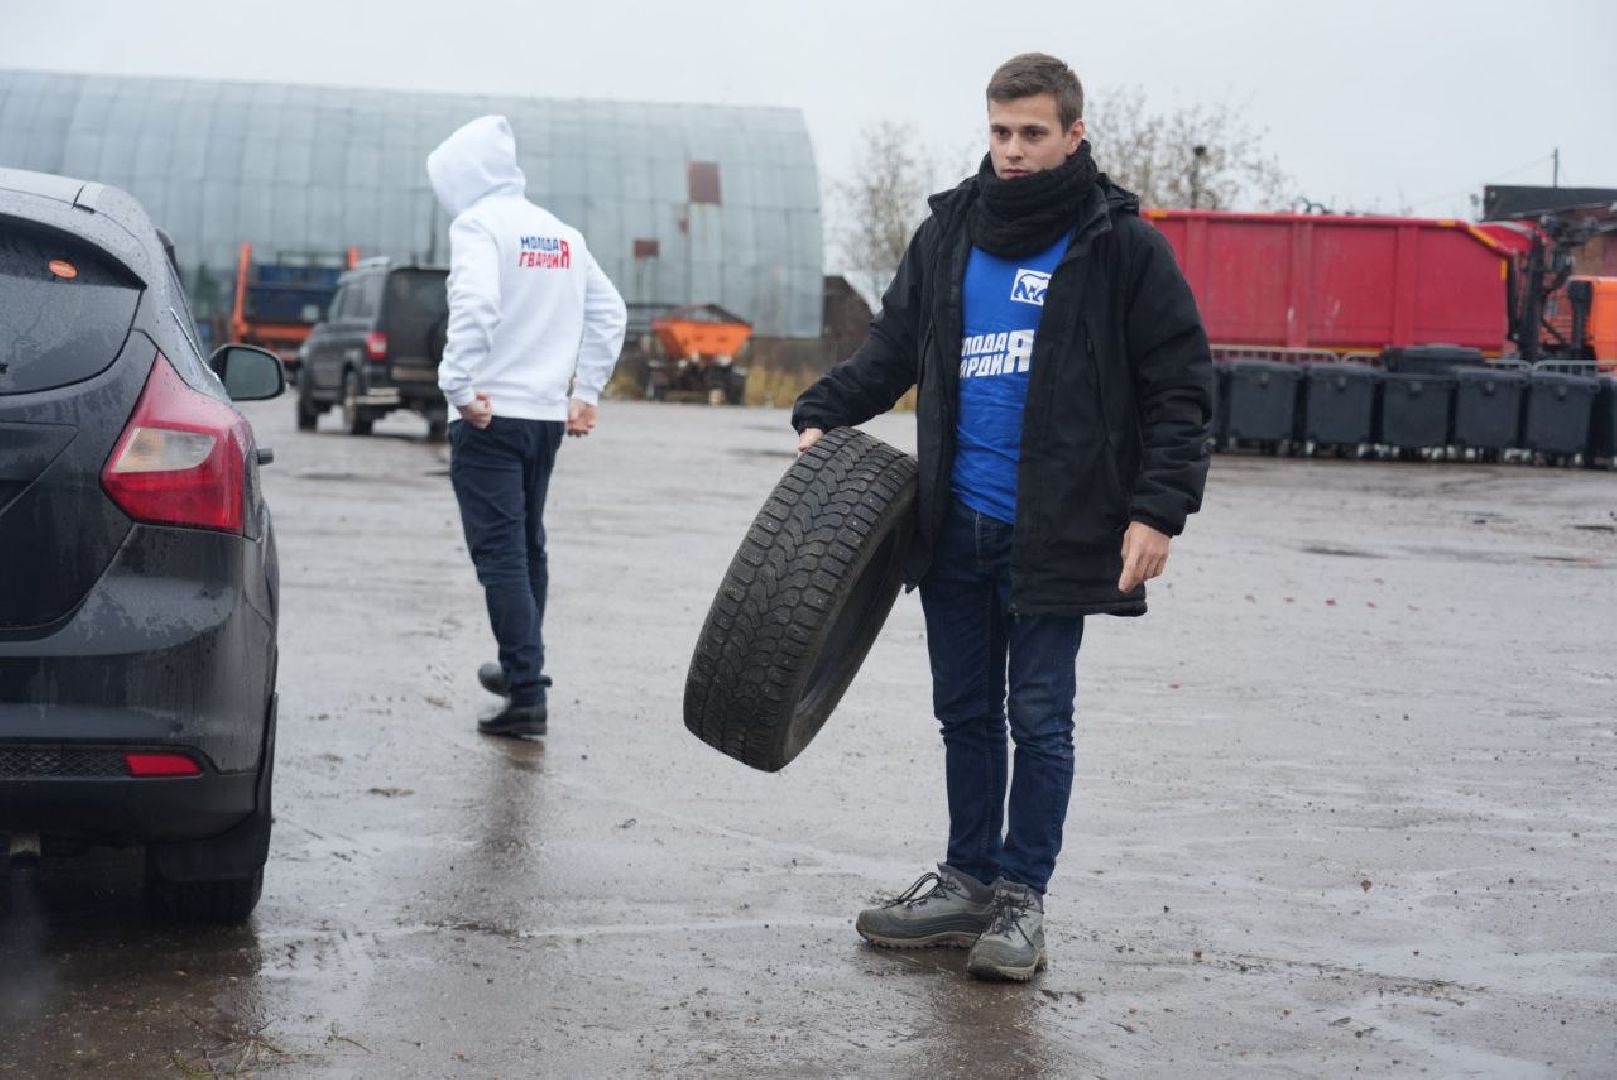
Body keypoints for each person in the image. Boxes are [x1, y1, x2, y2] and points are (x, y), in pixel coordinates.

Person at [792, 54, 1212, 980]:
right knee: (965, 713)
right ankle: (966, 880)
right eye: (999, 132)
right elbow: (893, 346)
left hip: (1060, 527)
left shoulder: (1119, 245)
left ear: (1073, 135)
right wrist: (823, 409)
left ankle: (1023, 898)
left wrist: (1158, 511)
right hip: (954, 521)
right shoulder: (949, 233)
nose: (1013, 151)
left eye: (1032, 133)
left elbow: (1179, 385)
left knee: (1040, 717)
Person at [426, 115, 627, 738]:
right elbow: (610, 311)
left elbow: (477, 304)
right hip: (543, 420)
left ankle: (526, 691)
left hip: (490, 415)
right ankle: (521, 668)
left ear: (463, 177)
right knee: (528, 547)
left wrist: (457, 387)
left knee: (502, 556)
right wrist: (585, 391)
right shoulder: (560, 233)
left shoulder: (478, 226)